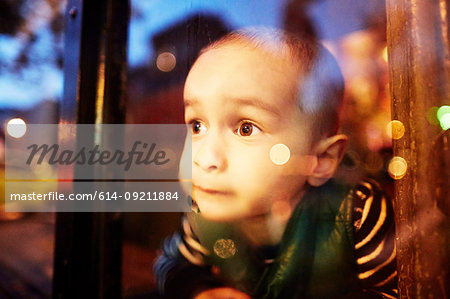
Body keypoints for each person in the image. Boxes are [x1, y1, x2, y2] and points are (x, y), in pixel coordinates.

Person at [154, 27, 397, 298]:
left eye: (246, 128)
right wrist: (198, 291)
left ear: (321, 159)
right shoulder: (202, 218)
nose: (204, 159)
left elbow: (393, 290)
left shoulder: (357, 214)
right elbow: (169, 264)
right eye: (197, 125)